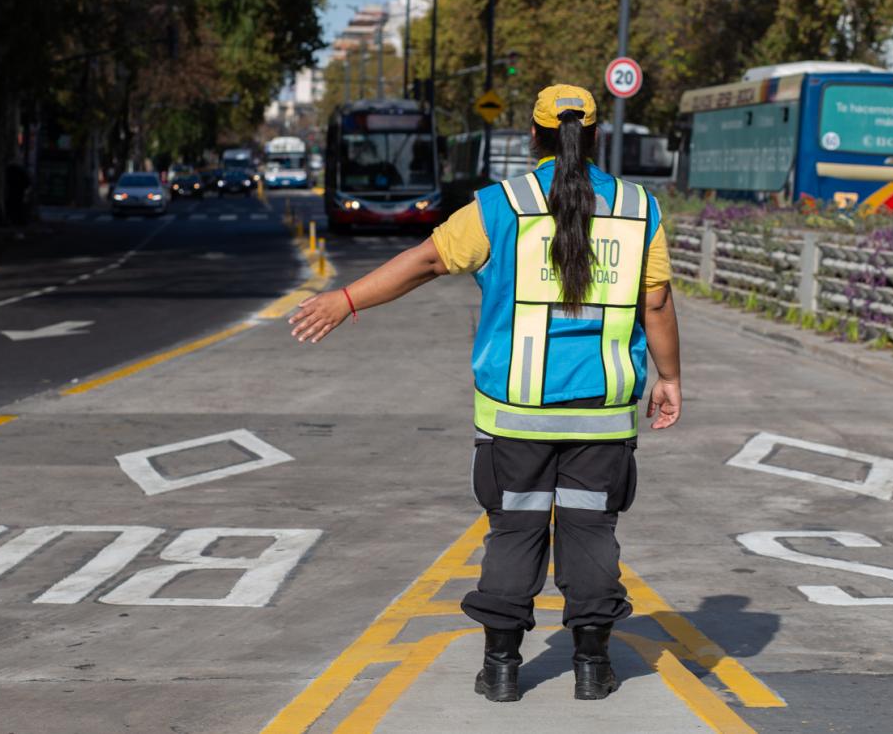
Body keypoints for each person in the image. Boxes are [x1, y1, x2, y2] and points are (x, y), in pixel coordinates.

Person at [289, 84, 681, 703]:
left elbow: (423, 263)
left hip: (514, 416)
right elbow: (655, 300)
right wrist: (670, 377)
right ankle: (591, 666)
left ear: (532, 138)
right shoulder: (638, 208)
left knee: (514, 531)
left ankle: (501, 667)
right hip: (602, 416)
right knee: (591, 532)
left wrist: (345, 300)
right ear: (597, 137)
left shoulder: (500, 206)